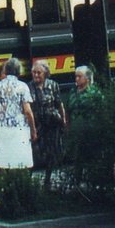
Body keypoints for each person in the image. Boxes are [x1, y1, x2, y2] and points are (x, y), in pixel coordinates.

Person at [0, 57, 36, 176]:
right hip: (20, 127)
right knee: (21, 160)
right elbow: (28, 111)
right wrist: (33, 130)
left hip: (3, 127)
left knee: (6, 160)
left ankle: (8, 185)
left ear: (6, 70)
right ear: (18, 71)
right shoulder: (23, 87)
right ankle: (22, 185)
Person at [29, 61, 67, 189]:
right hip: (37, 123)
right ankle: (28, 181)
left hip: (52, 122)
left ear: (45, 73)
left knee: (52, 151)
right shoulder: (28, 87)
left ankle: (48, 180)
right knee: (34, 151)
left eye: (38, 72)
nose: (36, 75)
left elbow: (59, 103)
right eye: (34, 72)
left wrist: (64, 119)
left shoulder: (53, 85)